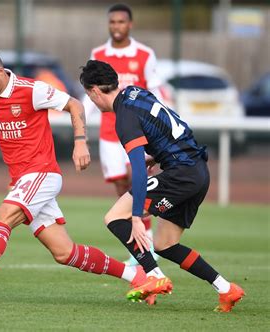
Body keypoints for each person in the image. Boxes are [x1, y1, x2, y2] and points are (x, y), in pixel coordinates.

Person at [0, 47, 155, 303]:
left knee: (2, 218)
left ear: (0, 72)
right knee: (64, 252)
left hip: (41, 173)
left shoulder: (31, 90)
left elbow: (74, 103)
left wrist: (80, 141)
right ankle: (136, 274)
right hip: (22, 179)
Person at [79, 59, 245, 312]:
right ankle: (226, 289)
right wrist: (155, 157)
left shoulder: (123, 118)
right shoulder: (136, 92)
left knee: (114, 217)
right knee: (165, 244)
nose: (91, 101)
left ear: (94, 91)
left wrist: (136, 217)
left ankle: (153, 274)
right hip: (198, 171)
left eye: (89, 96)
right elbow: (173, 127)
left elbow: (136, 169)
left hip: (181, 174)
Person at [83, 3, 164, 265]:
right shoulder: (99, 53)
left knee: (137, 180)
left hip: (138, 131)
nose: (116, 26)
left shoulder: (144, 54)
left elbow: (155, 90)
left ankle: (147, 244)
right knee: (121, 187)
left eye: (121, 22)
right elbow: (91, 92)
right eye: (112, 22)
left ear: (130, 24)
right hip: (109, 133)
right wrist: (80, 124)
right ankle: (138, 242)